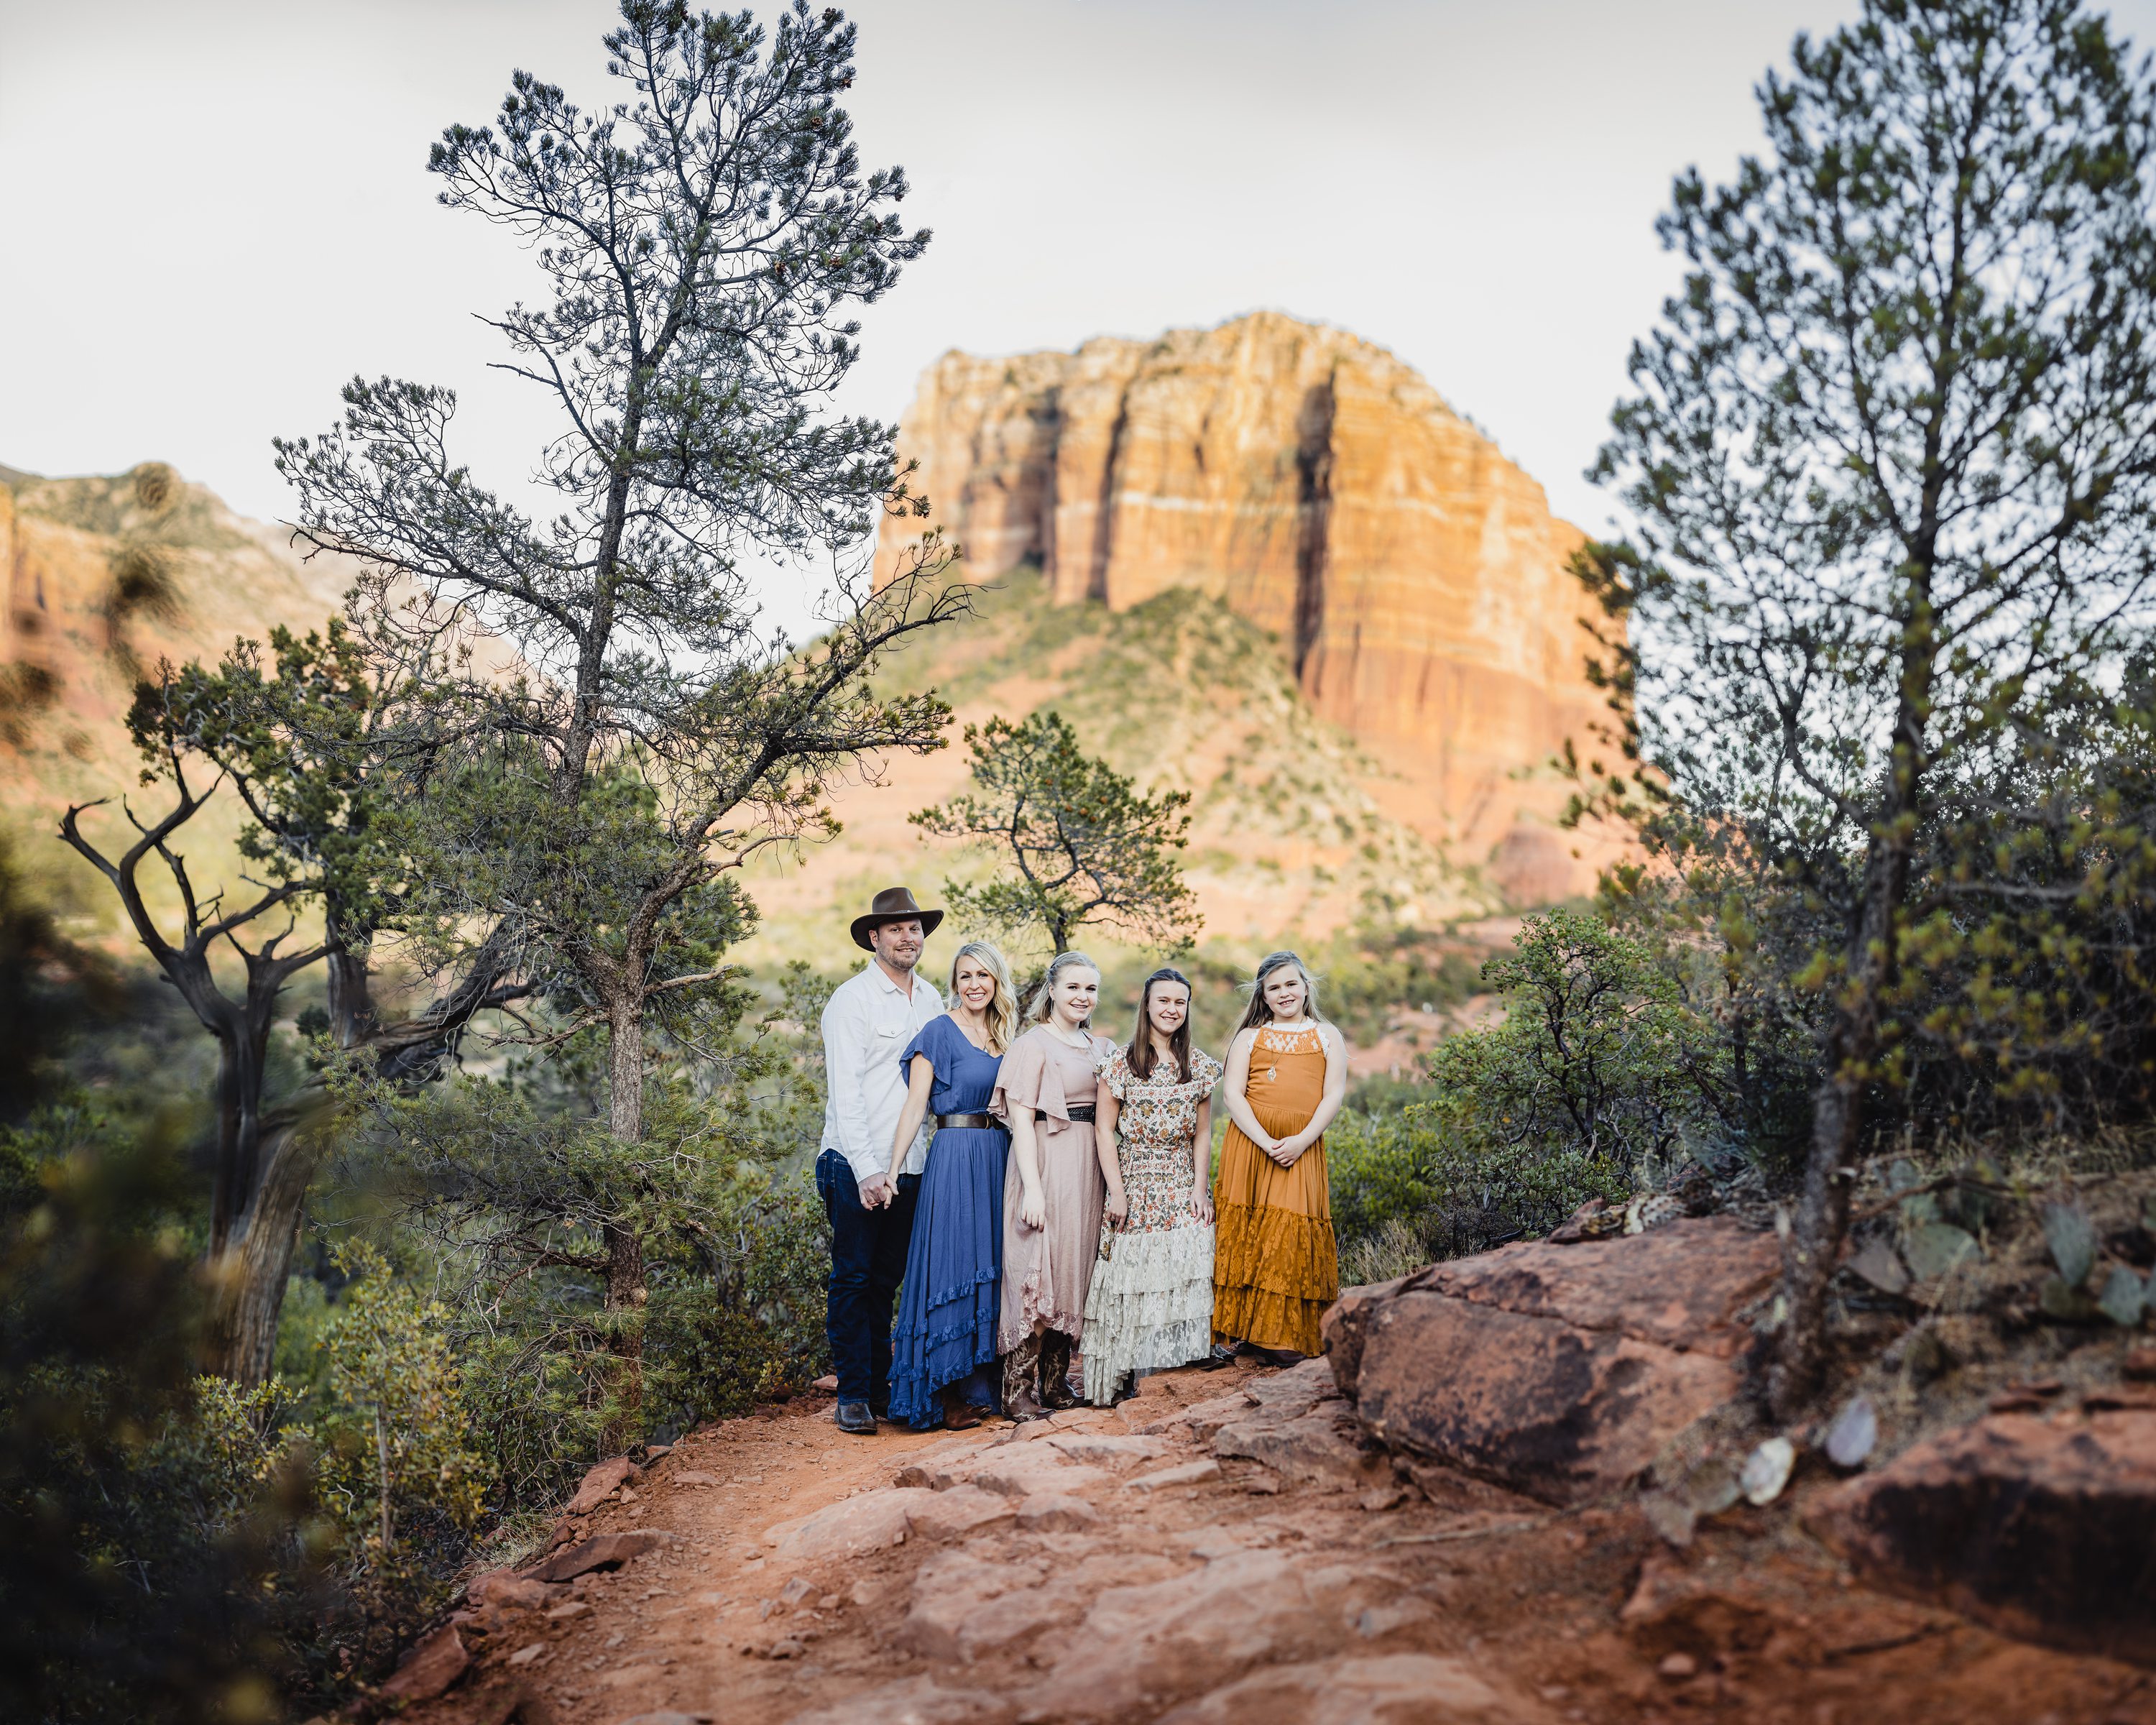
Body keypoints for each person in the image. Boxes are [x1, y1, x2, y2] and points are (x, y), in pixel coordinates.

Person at [817, 887, 945, 1435]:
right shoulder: (852, 1000)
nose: (906, 937)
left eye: (913, 928)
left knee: (887, 1279)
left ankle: (879, 1389)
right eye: (895, 929)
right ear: (874, 937)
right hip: (853, 1161)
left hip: (910, 1161)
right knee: (853, 1276)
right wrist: (868, 1169)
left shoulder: (934, 999)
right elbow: (846, 1092)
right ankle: (852, 1395)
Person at [883, 939, 1020, 1430]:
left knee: (991, 1264)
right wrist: (894, 1167)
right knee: (952, 1264)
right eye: (965, 976)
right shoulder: (938, 1031)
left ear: (997, 981)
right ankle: (943, 1393)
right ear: (954, 983)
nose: (975, 984)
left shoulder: (1006, 1036)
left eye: (984, 975)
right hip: (955, 1156)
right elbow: (916, 1106)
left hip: (998, 1158)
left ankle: (982, 1385)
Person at [1079, 966, 1221, 1405]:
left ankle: (1176, 1368)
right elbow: (1104, 1130)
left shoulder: (1197, 1065)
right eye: (1163, 1000)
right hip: (1135, 1177)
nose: (1172, 1009)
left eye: (1180, 1002)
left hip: (1180, 1177)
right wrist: (1117, 1191)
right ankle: (1126, 1375)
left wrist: (1200, 1188)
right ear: (1146, 1005)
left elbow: (1202, 1133)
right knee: (1131, 1275)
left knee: (1181, 1268)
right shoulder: (1120, 1064)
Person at [1208, 950, 1347, 1363]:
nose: (1285, 993)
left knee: (1289, 1232)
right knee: (1251, 1229)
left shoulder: (1327, 1035)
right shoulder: (1251, 1037)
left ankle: (1284, 1335)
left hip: (1300, 1146)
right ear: (1263, 996)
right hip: (1252, 1145)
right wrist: (1266, 1141)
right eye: (1275, 988)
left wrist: (1303, 1139)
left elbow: (1334, 1093)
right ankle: (1252, 1333)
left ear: (1306, 986)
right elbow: (1232, 1094)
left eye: (1291, 984)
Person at [993, 951, 1114, 1420]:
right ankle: (1015, 1390)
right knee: (1036, 1267)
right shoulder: (1032, 1045)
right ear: (1053, 991)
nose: (1083, 997)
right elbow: (1021, 1122)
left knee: (1072, 1267)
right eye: (1074, 988)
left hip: (1088, 1166)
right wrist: (1033, 1189)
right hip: (1043, 1160)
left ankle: (1056, 1382)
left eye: (1091, 989)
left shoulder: (1101, 1048)